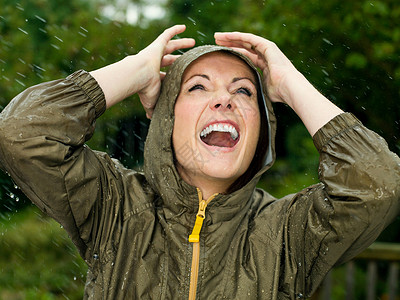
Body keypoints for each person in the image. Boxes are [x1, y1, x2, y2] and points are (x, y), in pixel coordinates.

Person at [0, 24, 399, 299]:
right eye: (197, 87)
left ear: (262, 128)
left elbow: (378, 184)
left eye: (243, 92)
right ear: (167, 119)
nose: (224, 99)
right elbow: (21, 133)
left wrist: (291, 84)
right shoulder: (114, 207)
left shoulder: (288, 234)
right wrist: (136, 70)